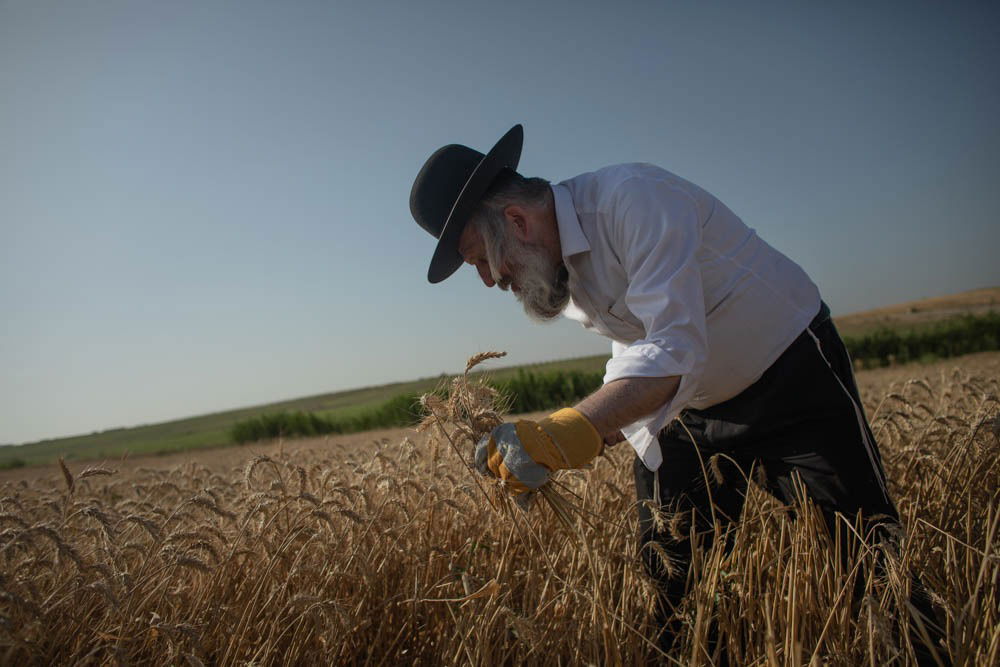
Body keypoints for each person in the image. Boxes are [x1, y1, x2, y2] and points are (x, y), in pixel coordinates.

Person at [409, 124, 947, 663]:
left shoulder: (633, 201)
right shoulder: (559, 269)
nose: (489, 280)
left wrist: (563, 432)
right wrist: (565, 442)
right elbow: (641, 348)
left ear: (516, 221)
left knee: (871, 561)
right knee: (672, 584)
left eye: (481, 259)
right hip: (686, 410)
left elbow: (673, 345)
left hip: (790, 380)